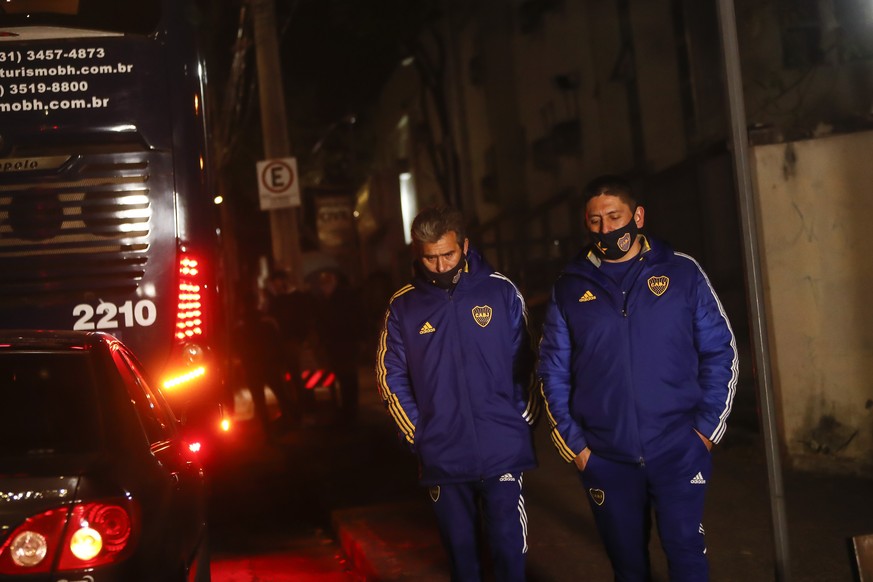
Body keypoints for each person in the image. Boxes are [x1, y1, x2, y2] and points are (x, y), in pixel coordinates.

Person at [537, 175, 738, 581]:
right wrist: (577, 448)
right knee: (628, 568)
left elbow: (721, 350)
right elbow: (552, 370)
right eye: (596, 221)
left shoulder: (682, 273)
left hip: (679, 449)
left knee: (686, 557)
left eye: (615, 216)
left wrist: (705, 432)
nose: (607, 229)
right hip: (606, 458)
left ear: (638, 216)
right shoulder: (569, 288)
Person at [376, 205, 539, 582]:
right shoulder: (403, 306)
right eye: (429, 257)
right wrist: (420, 434)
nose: (439, 265)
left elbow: (527, 360)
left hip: (502, 449)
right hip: (442, 454)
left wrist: (519, 419)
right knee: (462, 560)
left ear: (464, 246)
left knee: (509, 555)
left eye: (447, 254)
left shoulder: (500, 290)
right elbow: (390, 375)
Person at [311, 268, 364, 425]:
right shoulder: (324, 299)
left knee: (348, 377)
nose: (324, 287)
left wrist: (359, 339)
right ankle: (345, 410)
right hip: (334, 344)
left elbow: (356, 318)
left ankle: (350, 410)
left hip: (346, 343)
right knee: (341, 377)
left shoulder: (344, 297)